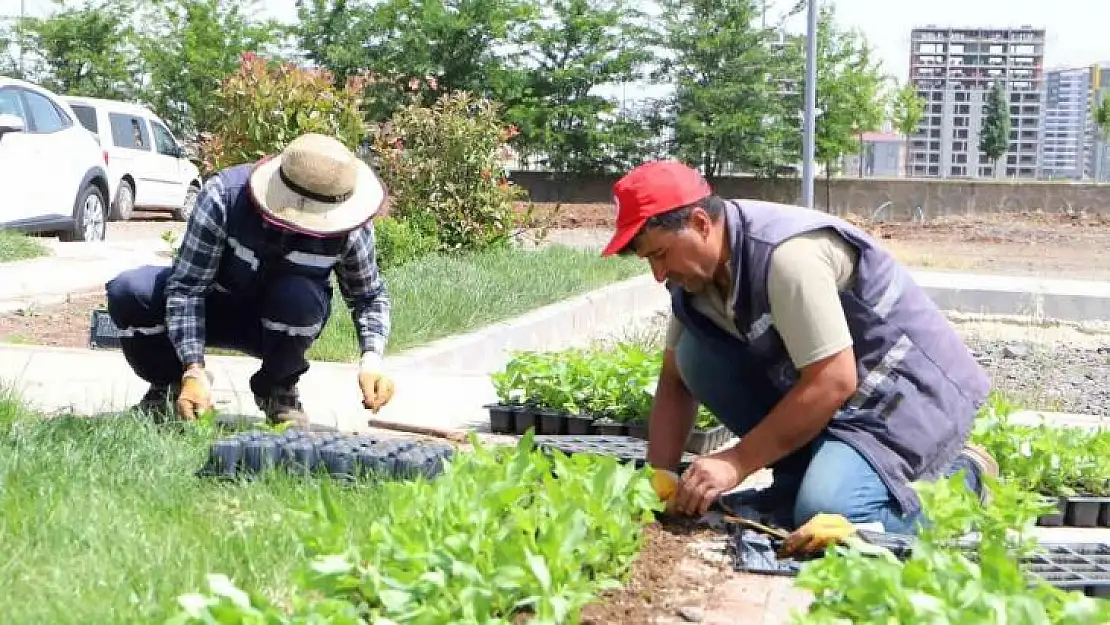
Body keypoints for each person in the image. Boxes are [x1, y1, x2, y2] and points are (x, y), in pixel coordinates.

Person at [601, 160, 998, 536]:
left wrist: (735, 462)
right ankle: (801, 479)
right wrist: (660, 476)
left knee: (829, 514)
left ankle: (964, 481)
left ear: (701, 222)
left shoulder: (787, 255)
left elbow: (833, 380)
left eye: (660, 254)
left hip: (901, 399)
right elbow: (675, 378)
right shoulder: (695, 279)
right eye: (647, 261)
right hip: (836, 398)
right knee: (693, 355)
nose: (658, 274)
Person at [105, 133, 396, 427]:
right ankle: (170, 387)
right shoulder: (223, 197)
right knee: (130, 291)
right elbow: (187, 288)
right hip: (211, 308)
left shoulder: (350, 228)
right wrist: (192, 369)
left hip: (279, 322)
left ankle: (277, 389)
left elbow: (368, 297)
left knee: (300, 297)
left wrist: (371, 361)